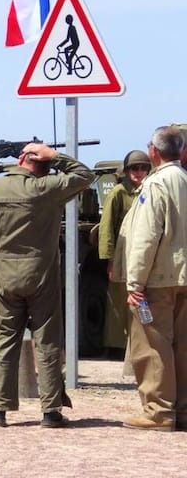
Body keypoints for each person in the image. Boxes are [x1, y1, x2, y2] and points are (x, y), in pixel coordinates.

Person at [0, 142, 94, 428]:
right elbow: (85, 176)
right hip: (42, 277)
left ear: (21, 160)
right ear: (44, 166)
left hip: (6, 276)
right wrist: (55, 156)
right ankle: (51, 412)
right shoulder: (47, 188)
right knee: (47, 342)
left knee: (4, 342)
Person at [117, 126, 187, 431]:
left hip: (158, 279)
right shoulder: (184, 178)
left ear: (154, 151)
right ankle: (181, 409)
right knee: (182, 347)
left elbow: (146, 238)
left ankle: (158, 412)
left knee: (153, 346)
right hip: (182, 277)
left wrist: (135, 283)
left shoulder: (156, 184)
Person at [98, 150, 152, 361]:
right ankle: (115, 345)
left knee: (140, 299)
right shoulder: (119, 193)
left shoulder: (149, 190)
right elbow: (106, 228)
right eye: (134, 168)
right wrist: (110, 260)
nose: (139, 172)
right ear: (127, 171)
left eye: (143, 168)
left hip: (143, 253)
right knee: (118, 300)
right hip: (123, 253)